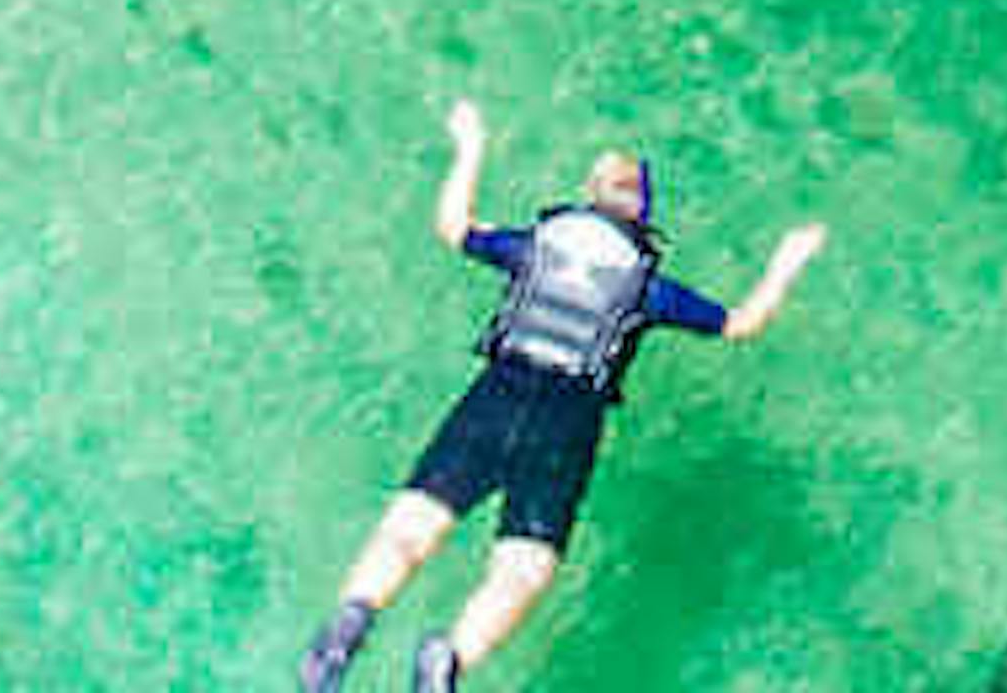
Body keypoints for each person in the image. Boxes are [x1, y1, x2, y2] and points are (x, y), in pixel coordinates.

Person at [297, 99, 827, 691]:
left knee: (411, 527)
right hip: (567, 421)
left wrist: (470, 145)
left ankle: (346, 630)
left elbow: (454, 227)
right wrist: (786, 263)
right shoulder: (650, 288)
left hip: (498, 392)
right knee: (523, 569)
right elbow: (742, 322)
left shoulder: (534, 245)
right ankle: (446, 661)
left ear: (588, 197)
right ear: (642, 215)